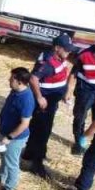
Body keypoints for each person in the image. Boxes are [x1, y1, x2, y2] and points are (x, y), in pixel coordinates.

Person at [23, 35, 78, 177]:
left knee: (37, 129)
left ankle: (29, 152)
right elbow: (33, 78)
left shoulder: (60, 58)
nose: (69, 53)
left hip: (52, 100)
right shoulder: (47, 62)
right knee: (43, 132)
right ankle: (37, 163)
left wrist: (65, 92)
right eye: (66, 50)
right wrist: (40, 97)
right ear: (57, 48)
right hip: (45, 103)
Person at [0, 67, 35, 190]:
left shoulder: (26, 99)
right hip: (6, 132)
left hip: (15, 138)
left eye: (12, 78)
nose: (9, 80)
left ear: (20, 81)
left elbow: (25, 123)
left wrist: (9, 137)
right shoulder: (15, 90)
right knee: (4, 157)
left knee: (12, 163)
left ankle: (9, 189)